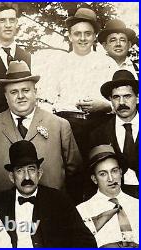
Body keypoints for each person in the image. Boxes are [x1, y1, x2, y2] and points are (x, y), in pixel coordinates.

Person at [0, 60, 82, 204]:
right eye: (14, 92)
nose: (20, 96)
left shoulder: (60, 126)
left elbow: (75, 173)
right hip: (1, 216)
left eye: (26, 90)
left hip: (52, 213)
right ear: (6, 96)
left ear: (35, 92)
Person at [0, 140, 97, 248]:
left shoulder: (59, 201)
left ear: (39, 174)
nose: (27, 177)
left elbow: (86, 241)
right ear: (12, 177)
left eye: (31, 169)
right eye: (20, 171)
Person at [39, 7, 116, 160]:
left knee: (98, 169)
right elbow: (46, 101)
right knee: (71, 174)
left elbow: (120, 100)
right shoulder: (58, 63)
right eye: (77, 33)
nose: (82, 38)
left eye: (88, 34)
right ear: (69, 36)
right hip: (67, 126)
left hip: (100, 125)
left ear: (94, 36)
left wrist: (105, 106)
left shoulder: (107, 63)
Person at [77, 145, 139, 248]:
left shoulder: (137, 205)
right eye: (103, 174)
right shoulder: (82, 211)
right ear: (94, 179)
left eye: (114, 171)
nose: (111, 179)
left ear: (120, 172)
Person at [90, 70, 139, 198]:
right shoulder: (99, 134)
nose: (122, 102)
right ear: (110, 100)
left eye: (127, 96)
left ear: (137, 97)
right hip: (115, 199)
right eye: (116, 97)